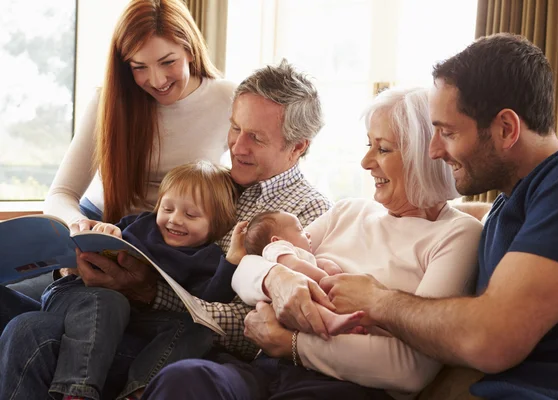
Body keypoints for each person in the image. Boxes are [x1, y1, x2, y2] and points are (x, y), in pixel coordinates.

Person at [0, 60, 332, 399]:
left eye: (256, 138)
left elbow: (258, 326)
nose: (237, 147)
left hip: (178, 344)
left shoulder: (308, 214)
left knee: (33, 335)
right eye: (235, 128)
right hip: (119, 315)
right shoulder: (212, 180)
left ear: (298, 146)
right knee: (27, 327)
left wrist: (147, 292)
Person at [140, 87, 484, 400]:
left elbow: (410, 369)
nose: (365, 162)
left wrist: (292, 344)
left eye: (382, 149)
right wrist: (276, 278)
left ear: (427, 155)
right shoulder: (349, 211)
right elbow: (246, 267)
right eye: (369, 146)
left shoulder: (457, 235)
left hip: (344, 388)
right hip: (267, 371)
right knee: (184, 380)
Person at [320, 34, 558, 399]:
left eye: (448, 133)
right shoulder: (509, 206)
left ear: (506, 129)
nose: (434, 151)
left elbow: (491, 338)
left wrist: (377, 301)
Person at [8, 0, 236, 300]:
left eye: (168, 62)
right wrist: (79, 226)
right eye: (139, 67)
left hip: (166, 243)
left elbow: (244, 185)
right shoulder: (108, 101)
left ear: (190, 50)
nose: (156, 80)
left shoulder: (227, 98)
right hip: (99, 228)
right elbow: (61, 194)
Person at [39, 161, 244, 400]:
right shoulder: (140, 224)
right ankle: (77, 393)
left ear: (216, 224)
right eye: (167, 209)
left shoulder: (208, 258)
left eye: (190, 215)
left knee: (198, 331)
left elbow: (208, 301)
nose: (174, 220)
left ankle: (138, 391)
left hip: (141, 317)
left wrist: (231, 262)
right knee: (106, 302)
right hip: (88, 297)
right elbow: (100, 244)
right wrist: (104, 233)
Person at [243, 210, 363, 335]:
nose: (308, 234)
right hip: (291, 304)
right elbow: (294, 265)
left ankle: (343, 328)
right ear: (276, 240)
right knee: (309, 301)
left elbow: (310, 264)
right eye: (300, 229)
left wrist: (328, 265)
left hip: (299, 311)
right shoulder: (275, 249)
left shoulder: (298, 254)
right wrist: (325, 278)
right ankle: (332, 321)